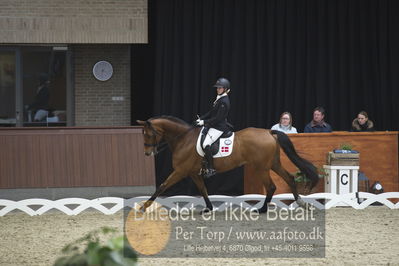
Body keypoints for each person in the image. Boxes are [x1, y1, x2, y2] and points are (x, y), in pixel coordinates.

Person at [196, 77, 232, 178]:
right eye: (217, 88)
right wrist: (201, 119)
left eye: (220, 88)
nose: (217, 89)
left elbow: (218, 118)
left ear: (225, 89)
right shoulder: (219, 98)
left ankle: (211, 168)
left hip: (219, 127)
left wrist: (204, 122)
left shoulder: (224, 101)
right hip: (214, 125)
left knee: (206, 144)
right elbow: (211, 112)